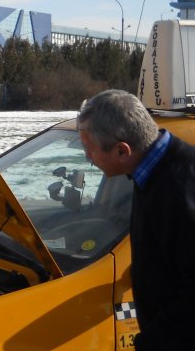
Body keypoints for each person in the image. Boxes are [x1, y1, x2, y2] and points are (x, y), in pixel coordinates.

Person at [77, 89, 195, 351]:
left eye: (90, 150)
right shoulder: (150, 171)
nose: (88, 158)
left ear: (122, 150)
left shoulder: (181, 186)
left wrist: (153, 342)